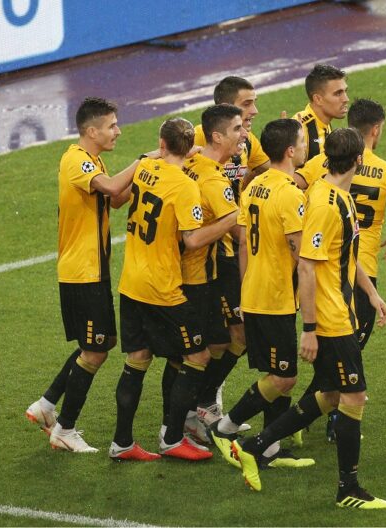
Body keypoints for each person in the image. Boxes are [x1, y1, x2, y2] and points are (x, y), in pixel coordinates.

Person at [230, 128, 386, 510]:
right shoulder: (323, 204)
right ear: (359, 160)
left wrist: (371, 293)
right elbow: (306, 266)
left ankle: (255, 445)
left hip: (342, 312)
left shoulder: (339, 197)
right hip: (331, 320)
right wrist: (309, 330)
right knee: (353, 395)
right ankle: (348, 488)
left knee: (332, 394)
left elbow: (344, 256)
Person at [25, 97, 142, 453]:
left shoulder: (93, 160)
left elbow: (115, 199)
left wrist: (151, 175)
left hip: (93, 270)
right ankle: (65, 429)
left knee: (98, 344)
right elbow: (111, 188)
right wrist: (143, 162)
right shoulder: (76, 160)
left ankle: (46, 404)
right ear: (92, 131)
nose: (118, 131)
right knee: (95, 351)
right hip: (82, 272)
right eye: (112, 125)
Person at [296, 98, 386, 440]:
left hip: (327, 266)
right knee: (345, 360)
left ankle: (300, 421)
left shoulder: (321, 163)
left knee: (337, 359)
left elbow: (292, 187)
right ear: (376, 129)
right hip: (357, 270)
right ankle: (325, 423)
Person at [109, 117, 224, 462]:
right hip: (163, 288)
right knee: (197, 356)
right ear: (189, 149)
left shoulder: (145, 168)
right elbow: (192, 240)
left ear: (161, 144)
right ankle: (172, 438)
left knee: (138, 358)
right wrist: (232, 218)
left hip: (131, 282)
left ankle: (122, 442)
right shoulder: (186, 186)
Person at [211, 118, 313, 469]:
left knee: (277, 371)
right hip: (274, 297)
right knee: (284, 376)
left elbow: (242, 243)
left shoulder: (254, 185)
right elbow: (301, 254)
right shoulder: (290, 193)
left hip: (254, 291)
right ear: (290, 151)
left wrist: (245, 287)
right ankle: (226, 426)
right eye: (302, 142)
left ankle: (270, 449)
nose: (306, 147)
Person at [189, 78, 269, 428]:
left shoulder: (246, 140)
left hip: (233, 247)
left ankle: (202, 401)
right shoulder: (198, 139)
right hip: (213, 252)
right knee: (226, 337)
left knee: (231, 337)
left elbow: (266, 172)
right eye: (247, 104)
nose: (254, 111)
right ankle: (199, 404)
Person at [180, 104, 245, 440]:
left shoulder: (189, 162)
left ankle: (196, 408)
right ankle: (190, 414)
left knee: (217, 342)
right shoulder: (214, 180)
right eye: (237, 128)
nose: (244, 134)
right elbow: (239, 232)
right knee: (214, 345)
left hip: (188, 269)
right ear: (217, 136)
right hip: (208, 270)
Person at [293, 64, 349, 161]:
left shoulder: (323, 122)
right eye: (338, 93)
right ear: (318, 99)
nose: (346, 99)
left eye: (345, 91)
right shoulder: (300, 130)